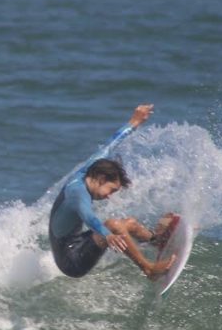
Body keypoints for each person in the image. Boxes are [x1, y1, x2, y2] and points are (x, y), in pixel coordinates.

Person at [48, 104, 176, 280]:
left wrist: (134, 121)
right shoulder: (77, 192)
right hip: (70, 261)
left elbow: (111, 143)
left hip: (77, 242)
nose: (109, 196)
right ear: (100, 179)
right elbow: (89, 217)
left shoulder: (90, 169)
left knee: (129, 223)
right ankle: (148, 269)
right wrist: (107, 235)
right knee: (114, 225)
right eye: (111, 190)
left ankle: (156, 240)